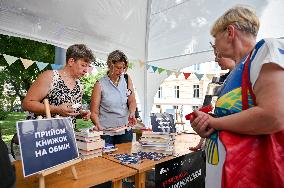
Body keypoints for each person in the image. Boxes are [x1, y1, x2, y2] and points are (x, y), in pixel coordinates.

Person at [190, 5, 284, 187]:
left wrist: (213, 122)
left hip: (247, 177)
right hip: (225, 175)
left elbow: (273, 116)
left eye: (215, 39)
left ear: (230, 32)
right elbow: (233, 119)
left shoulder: (265, 50)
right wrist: (206, 126)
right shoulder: (238, 70)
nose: (214, 46)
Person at [22, 44, 95, 127]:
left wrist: (81, 113)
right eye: (83, 65)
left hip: (65, 136)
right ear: (71, 61)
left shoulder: (80, 86)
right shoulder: (50, 76)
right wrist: (57, 109)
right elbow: (27, 104)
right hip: (41, 134)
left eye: (88, 66)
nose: (86, 70)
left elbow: (70, 111)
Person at [189, 52, 235, 151]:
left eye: (219, 55)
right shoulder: (215, 83)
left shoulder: (250, 78)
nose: (216, 59)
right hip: (214, 148)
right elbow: (206, 116)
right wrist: (201, 142)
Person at [90, 50, 137, 145]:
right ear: (110, 65)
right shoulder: (99, 84)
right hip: (106, 133)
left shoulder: (127, 79)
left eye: (123, 68)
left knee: (125, 158)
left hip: (125, 130)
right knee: (106, 159)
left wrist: (132, 113)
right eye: (118, 68)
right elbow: (94, 112)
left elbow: (132, 101)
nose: (121, 71)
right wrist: (97, 124)